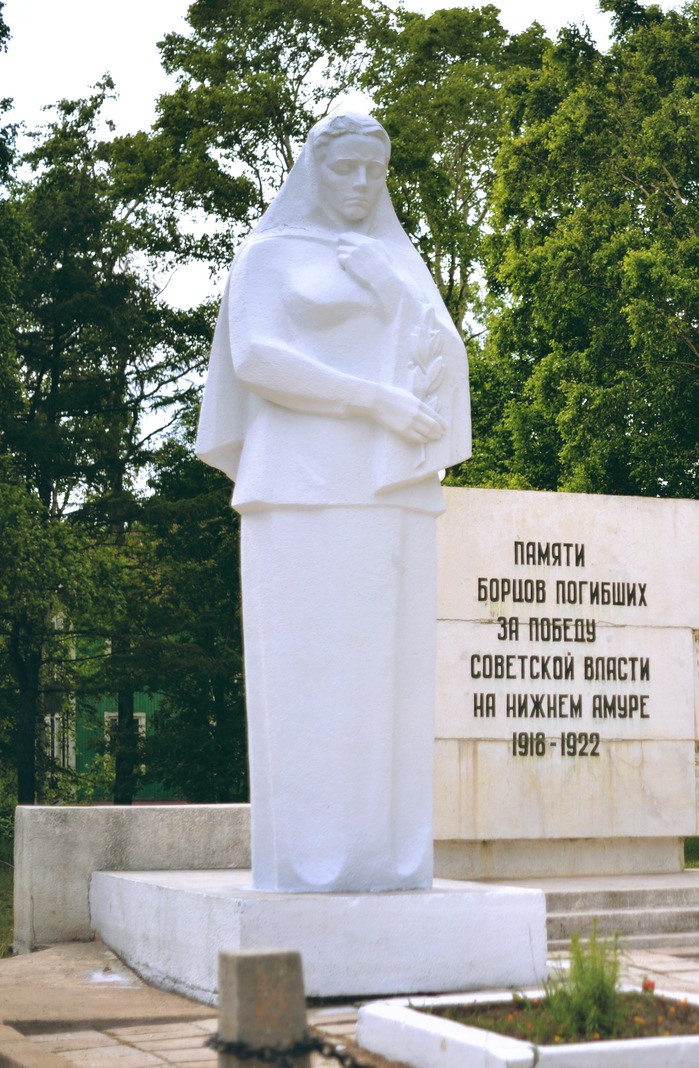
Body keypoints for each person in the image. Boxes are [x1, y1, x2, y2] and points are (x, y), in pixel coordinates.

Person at [196, 111, 470, 893]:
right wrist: (372, 401)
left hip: (389, 490)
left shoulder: (395, 260)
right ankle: (311, 867)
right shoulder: (267, 254)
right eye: (345, 169)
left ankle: (388, 861)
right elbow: (257, 357)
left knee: (389, 678)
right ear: (315, 169)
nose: (359, 186)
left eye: (373, 172)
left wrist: (393, 293)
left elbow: (443, 357)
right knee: (311, 674)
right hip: (299, 486)